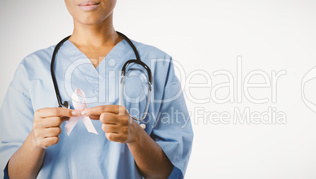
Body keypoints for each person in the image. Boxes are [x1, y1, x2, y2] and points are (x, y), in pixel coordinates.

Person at [0, 0, 193, 178]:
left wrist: (135, 136)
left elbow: (168, 174)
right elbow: (11, 174)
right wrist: (35, 141)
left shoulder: (157, 64)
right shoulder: (32, 69)